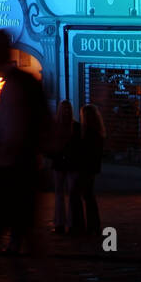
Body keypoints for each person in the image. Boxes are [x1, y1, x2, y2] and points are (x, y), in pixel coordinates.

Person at [0, 29, 51, 267]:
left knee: (2, 233)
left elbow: (34, 125)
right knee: (9, 233)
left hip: (16, 169)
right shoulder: (19, 82)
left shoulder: (21, 83)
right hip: (16, 168)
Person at [74, 104, 106, 236]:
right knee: (88, 196)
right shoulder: (97, 132)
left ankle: (90, 225)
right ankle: (93, 224)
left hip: (87, 167)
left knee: (86, 196)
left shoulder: (89, 133)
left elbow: (87, 151)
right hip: (91, 167)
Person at [49, 101, 80, 234]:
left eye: (68, 109)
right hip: (64, 163)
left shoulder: (59, 127)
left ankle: (63, 223)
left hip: (66, 163)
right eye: (65, 109)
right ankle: (64, 223)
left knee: (65, 194)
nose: (66, 112)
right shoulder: (73, 127)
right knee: (63, 194)